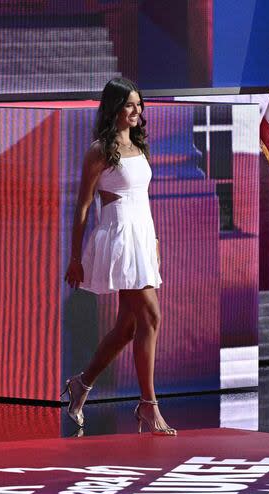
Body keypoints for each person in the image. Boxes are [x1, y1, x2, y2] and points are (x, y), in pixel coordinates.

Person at [62, 77, 176, 436]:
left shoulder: (139, 146)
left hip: (142, 239)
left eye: (139, 105)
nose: (137, 111)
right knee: (152, 317)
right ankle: (148, 406)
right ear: (114, 108)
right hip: (119, 238)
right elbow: (82, 206)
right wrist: (75, 257)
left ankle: (81, 384)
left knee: (129, 326)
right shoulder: (100, 151)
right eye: (130, 105)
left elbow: (142, 198)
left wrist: (155, 240)